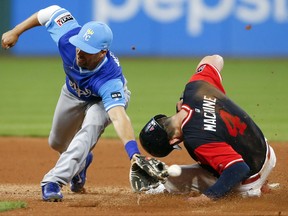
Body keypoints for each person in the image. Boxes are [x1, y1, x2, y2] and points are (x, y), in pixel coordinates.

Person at [1, 5, 144, 202]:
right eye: (79, 45)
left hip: (100, 101)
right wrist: (16, 31)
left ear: (102, 52)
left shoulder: (110, 80)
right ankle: (81, 162)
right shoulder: (68, 39)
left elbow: (119, 116)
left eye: (87, 50)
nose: (79, 52)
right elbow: (49, 12)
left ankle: (53, 181)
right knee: (57, 142)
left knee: (90, 127)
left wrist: (133, 154)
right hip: (72, 92)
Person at [139, 54, 276, 203]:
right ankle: (262, 180)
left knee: (171, 180)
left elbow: (238, 169)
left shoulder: (195, 138)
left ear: (173, 140)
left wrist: (206, 198)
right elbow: (215, 58)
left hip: (249, 177)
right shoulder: (195, 88)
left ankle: (255, 187)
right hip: (265, 151)